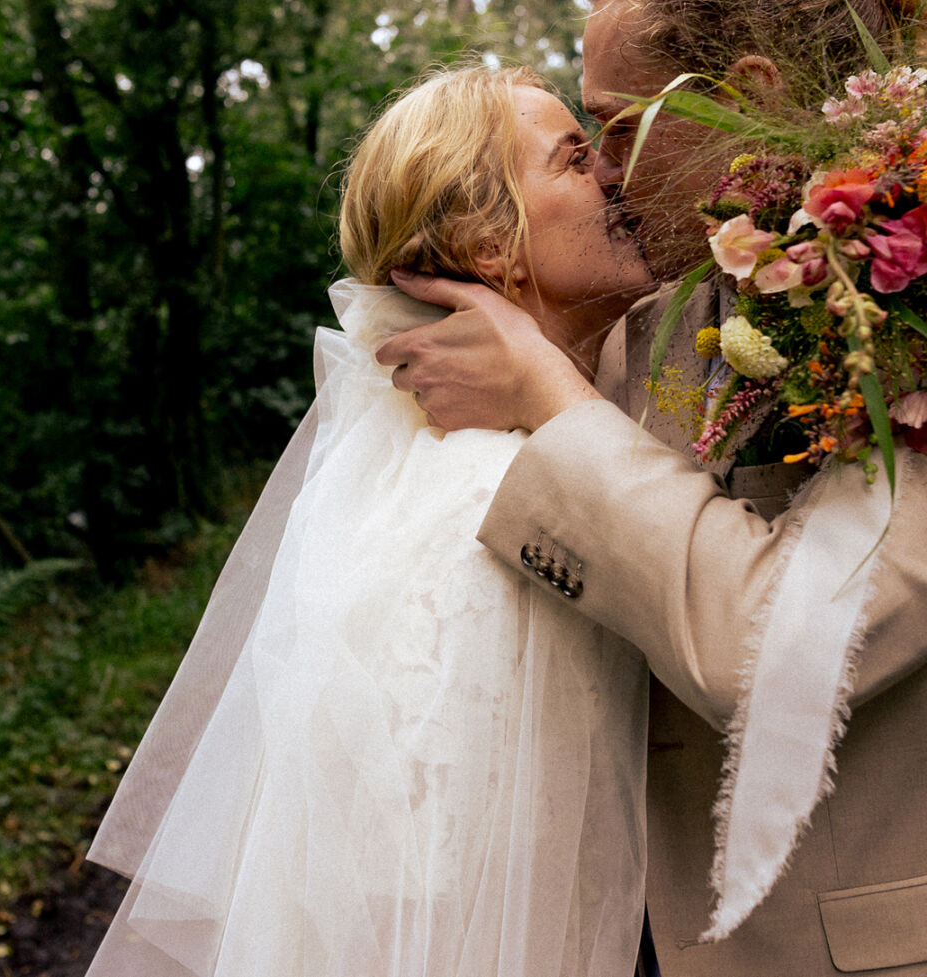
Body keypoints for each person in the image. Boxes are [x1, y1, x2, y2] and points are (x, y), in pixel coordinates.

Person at [379, 0, 927, 976]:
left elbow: (786, 644)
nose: (606, 169)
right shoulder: (668, 315)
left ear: (748, 92)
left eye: (621, 126)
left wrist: (549, 398)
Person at [83, 64, 658, 977]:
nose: (617, 177)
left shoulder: (482, 458)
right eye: (575, 157)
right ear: (487, 238)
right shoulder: (492, 499)